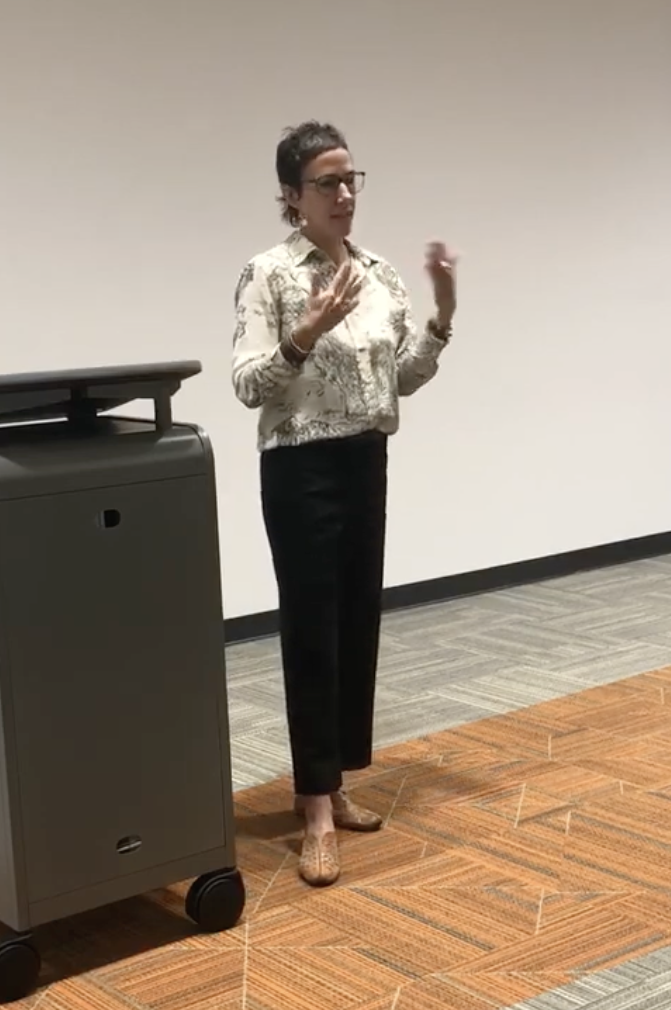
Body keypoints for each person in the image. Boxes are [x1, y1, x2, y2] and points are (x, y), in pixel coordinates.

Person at [231, 121, 458, 887]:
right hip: (300, 468)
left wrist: (442, 317)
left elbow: (400, 380)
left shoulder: (381, 274)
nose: (344, 194)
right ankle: (314, 810)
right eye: (327, 182)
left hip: (366, 460)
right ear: (291, 196)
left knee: (357, 623)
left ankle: (334, 785)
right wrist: (305, 333)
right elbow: (247, 383)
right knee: (312, 631)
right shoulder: (267, 275)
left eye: (351, 179)